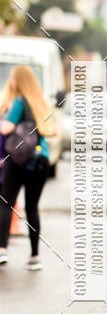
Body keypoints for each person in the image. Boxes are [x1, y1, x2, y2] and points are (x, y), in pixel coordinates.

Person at [0, 65, 56, 270]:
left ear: (20, 81)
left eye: (13, 78)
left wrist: (8, 122)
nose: (10, 81)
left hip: (18, 159)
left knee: (6, 202)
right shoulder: (43, 103)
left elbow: (6, 127)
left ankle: (2, 249)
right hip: (41, 160)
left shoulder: (19, 102)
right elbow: (52, 131)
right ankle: (34, 256)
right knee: (32, 208)